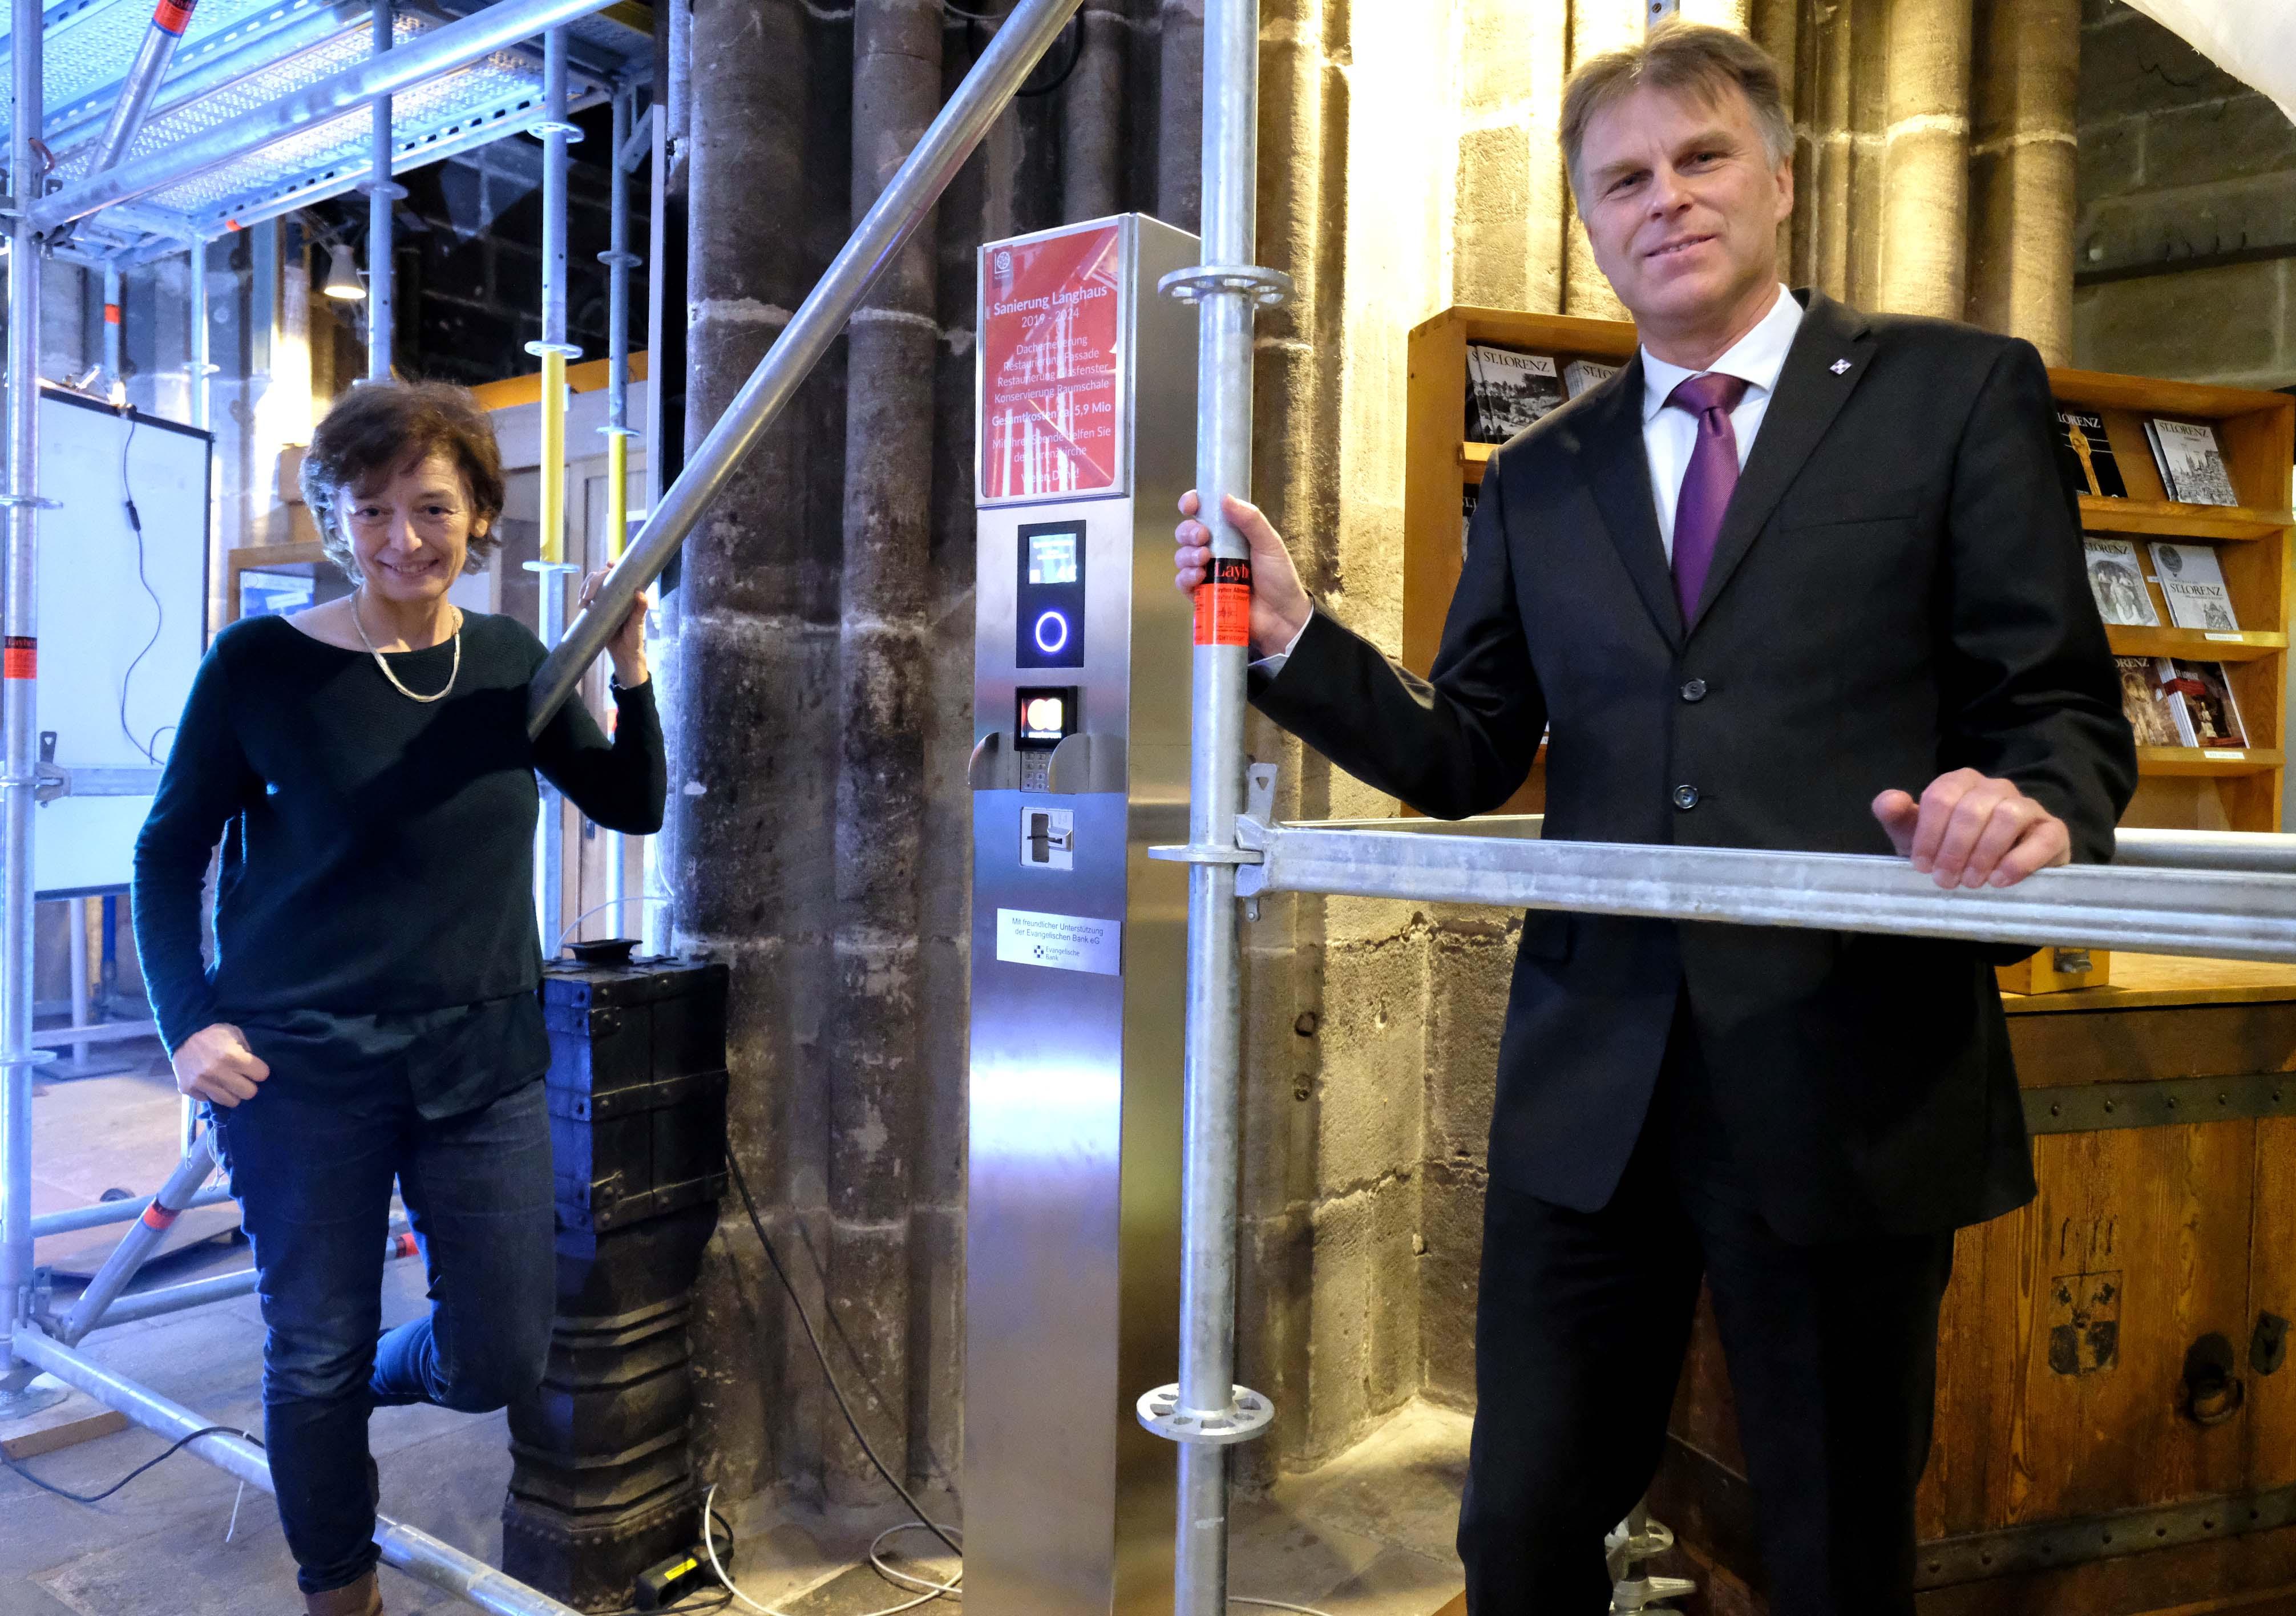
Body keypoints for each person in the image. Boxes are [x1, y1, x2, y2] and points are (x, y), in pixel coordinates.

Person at [1174, 22, 2135, 1616]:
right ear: (1589, 220)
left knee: (1833, 1546)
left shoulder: (1952, 397)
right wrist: (1292, 641)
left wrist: (2024, 800)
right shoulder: (1543, 474)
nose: (1665, 198)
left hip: (1847, 1076)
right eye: (1623, 179)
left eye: (1699, 158)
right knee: (1521, 1531)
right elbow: (1471, 748)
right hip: (1592, 1086)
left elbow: (2059, 709)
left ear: (1779, 177)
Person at [133, 381, 665, 1616]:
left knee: (497, 1352)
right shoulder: (259, 667)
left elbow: (629, 804)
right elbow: (171, 852)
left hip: (482, 1060)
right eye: (368, 511)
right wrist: (188, 1023)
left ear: (480, 514)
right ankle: (344, 1589)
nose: (401, 539)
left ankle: (345, 1389)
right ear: (335, 519)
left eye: (431, 508)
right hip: (300, 1069)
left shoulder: (511, 664)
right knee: (307, 1345)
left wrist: (629, 670)